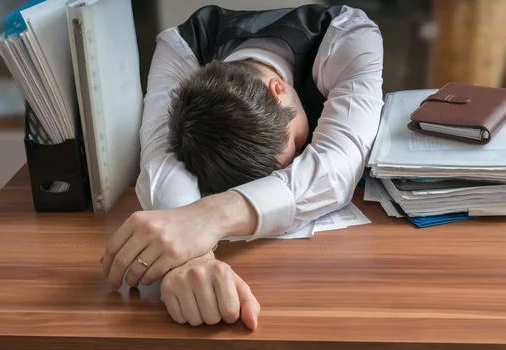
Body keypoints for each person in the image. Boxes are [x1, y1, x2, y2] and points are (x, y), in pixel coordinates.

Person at [100, 4, 384, 329]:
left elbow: (337, 167)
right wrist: (194, 257)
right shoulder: (179, 47)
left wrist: (210, 218)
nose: (297, 161)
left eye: (292, 146)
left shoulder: (349, 35)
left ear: (277, 91)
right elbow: (160, 161)